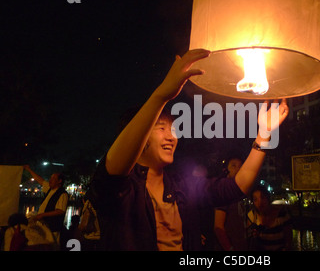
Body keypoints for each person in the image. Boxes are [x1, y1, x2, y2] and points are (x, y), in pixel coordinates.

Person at [89, 49, 289, 251]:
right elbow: (113, 168)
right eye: (161, 128)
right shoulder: (119, 189)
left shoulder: (183, 187)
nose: (171, 136)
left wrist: (264, 134)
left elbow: (239, 186)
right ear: (140, 135)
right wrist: (161, 95)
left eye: (173, 129)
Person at [23, 165, 69, 246]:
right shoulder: (50, 189)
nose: (50, 181)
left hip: (52, 228)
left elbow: (61, 211)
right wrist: (29, 169)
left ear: (59, 181)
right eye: (50, 178)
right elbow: (40, 180)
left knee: (51, 246)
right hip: (44, 227)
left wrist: (42, 215)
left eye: (53, 179)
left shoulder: (63, 194)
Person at [214, 157, 249, 251]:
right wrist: (229, 248)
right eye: (233, 166)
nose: (238, 169)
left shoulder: (242, 194)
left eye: (240, 166)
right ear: (225, 170)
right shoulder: (223, 193)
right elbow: (218, 226)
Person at [247, 185, 292, 251]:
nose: (260, 203)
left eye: (263, 197)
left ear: (268, 198)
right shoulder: (252, 215)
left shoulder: (282, 214)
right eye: (255, 199)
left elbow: (288, 240)